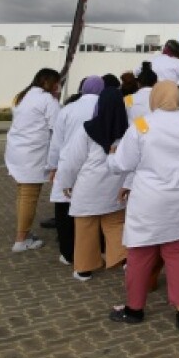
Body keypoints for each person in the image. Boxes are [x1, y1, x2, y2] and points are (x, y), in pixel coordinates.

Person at [107, 80, 179, 329]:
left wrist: (110, 158)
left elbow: (123, 163)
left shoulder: (141, 124)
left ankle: (135, 309)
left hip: (148, 199)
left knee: (140, 254)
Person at [57, 87, 129, 281]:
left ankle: (84, 269)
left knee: (85, 228)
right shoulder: (128, 131)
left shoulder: (87, 129)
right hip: (115, 187)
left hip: (88, 188)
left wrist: (66, 182)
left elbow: (72, 161)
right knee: (115, 225)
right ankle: (123, 259)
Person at [46, 76, 103, 266]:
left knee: (64, 209)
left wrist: (52, 166)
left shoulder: (68, 110)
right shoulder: (106, 107)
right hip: (96, 165)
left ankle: (68, 253)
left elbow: (56, 143)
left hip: (68, 163)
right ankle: (95, 252)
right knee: (94, 213)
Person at [5, 68, 62, 252]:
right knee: (29, 196)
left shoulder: (23, 96)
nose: (59, 87)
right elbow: (58, 126)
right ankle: (21, 240)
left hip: (17, 150)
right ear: (50, 83)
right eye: (57, 83)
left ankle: (23, 234)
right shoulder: (47, 100)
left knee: (23, 193)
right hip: (33, 154)